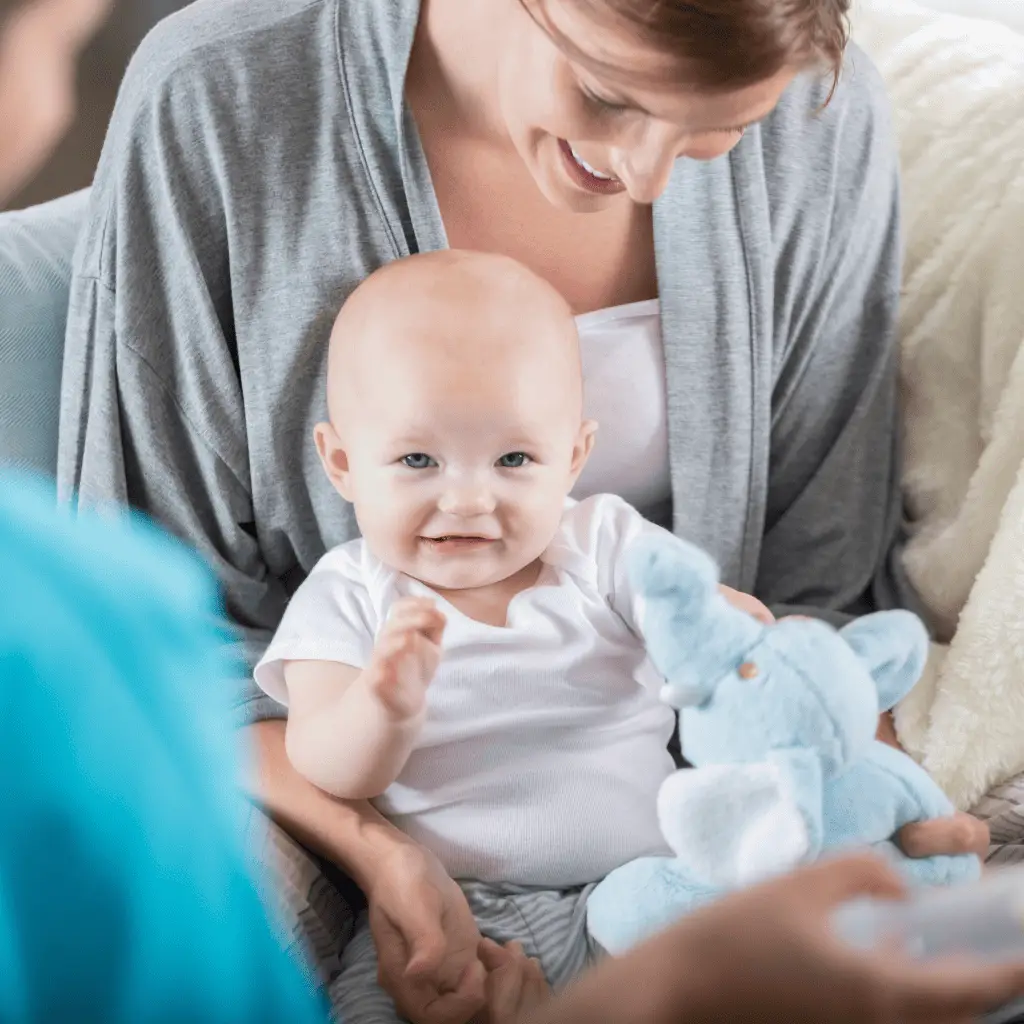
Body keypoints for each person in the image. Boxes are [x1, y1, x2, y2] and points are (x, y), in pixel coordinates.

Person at [2, 2, 1021, 1024]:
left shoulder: (818, 122)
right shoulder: (218, 98)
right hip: (303, 783)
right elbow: (160, 664)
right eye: (608, 95)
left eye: (721, 129)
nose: (647, 175)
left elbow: (809, 600)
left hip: (690, 806)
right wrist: (388, 856)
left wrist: (867, 803)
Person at [256, 248, 778, 1020]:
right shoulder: (350, 592)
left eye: (513, 458)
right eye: (418, 459)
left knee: (761, 967)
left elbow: (685, 610)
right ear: (342, 463)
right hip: (453, 915)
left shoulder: (602, 542)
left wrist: (721, 629)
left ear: (573, 458)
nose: (468, 499)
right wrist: (382, 708)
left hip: (642, 891)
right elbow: (325, 762)